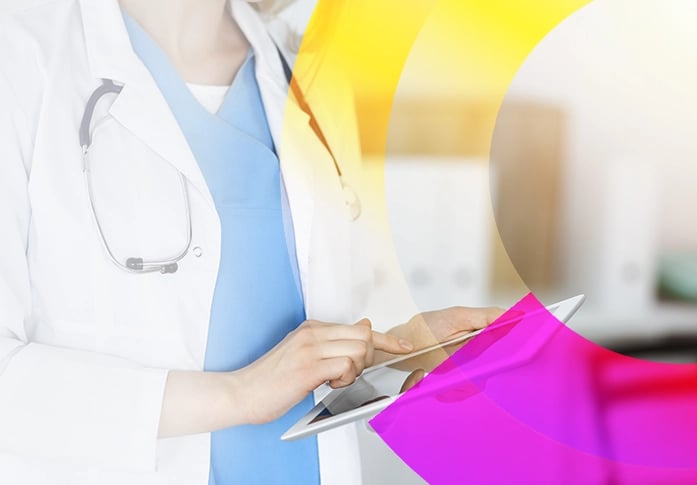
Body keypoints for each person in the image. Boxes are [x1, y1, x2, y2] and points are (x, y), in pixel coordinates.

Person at [0, 0, 503, 483]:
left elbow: (308, 354)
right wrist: (238, 395)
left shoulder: (306, 78)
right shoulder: (22, 57)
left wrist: (398, 353)